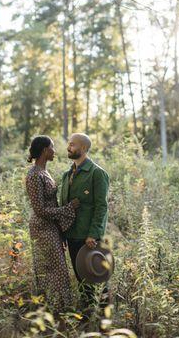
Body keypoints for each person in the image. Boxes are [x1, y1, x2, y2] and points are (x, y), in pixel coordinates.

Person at [25, 135, 80, 319]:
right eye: (53, 147)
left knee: (58, 269)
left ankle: (59, 312)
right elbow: (40, 210)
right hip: (42, 228)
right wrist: (68, 209)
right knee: (52, 270)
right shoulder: (33, 175)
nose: (55, 151)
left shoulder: (44, 172)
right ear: (44, 150)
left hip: (51, 227)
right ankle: (53, 313)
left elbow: (51, 202)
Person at [60, 133, 110, 318]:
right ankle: (88, 316)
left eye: (72, 145)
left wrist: (94, 234)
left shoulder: (97, 173)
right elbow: (64, 207)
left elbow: (101, 207)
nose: (68, 148)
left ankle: (104, 318)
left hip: (88, 237)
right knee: (81, 278)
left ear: (83, 148)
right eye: (69, 144)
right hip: (72, 235)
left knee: (97, 277)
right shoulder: (67, 175)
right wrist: (63, 234)